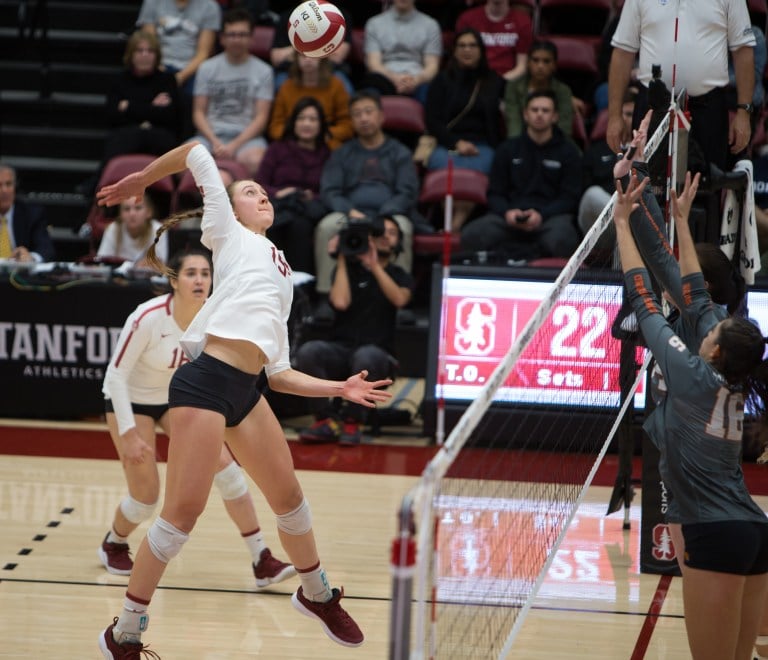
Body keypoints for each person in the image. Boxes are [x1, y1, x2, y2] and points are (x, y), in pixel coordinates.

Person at [95, 139, 393, 657]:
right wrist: (141, 179)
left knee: (291, 501)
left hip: (248, 391)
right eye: (251, 191)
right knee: (180, 517)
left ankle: (316, 592)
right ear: (229, 209)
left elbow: (277, 375)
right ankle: (124, 632)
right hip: (204, 383)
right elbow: (195, 150)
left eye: (263, 192)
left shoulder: (283, 274)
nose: (264, 196)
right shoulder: (226, 233)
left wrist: (338, 388)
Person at [613, 168, 768, 660]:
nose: (704, 332)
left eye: (708, 337)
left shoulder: (690, 372)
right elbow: (695, 293)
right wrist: (677, 218)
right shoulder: (729, 369)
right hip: (752, 531)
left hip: (714, 533)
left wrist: (621, 224)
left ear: (715, 351)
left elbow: (642, 294)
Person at [99, 248, 295, 590]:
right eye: (191, 273)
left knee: (229, 472)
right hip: (130, 400)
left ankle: (261, 558)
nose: (200, 280)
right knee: (146, 499)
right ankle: (114, 542)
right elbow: (114, 376)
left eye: (205, 273)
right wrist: (128, 432)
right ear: (174, 281)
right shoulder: (148, 317)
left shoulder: (214, 316)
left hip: (177, 400)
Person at [296, 215, 413, 445]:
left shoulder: (401, 276)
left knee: (366, 355)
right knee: (309, 351)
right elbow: (340, 302)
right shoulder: (348, 271)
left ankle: (353, 421)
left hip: (379, 355)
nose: (385, 237)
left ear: (398, 242)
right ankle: (326, 421)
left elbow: (399, 299)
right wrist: (342, 257)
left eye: (392, 233)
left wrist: (375, 266)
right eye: (381, 232)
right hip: (342, 349)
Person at [606, 0, 756, 172]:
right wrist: (614, 116)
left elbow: (743, 49)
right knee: (645, 188)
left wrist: (744, 113)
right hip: (652, 108)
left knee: (706, 189)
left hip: (706, 109)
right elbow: (623, 52)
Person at [315, 89, 419, 295]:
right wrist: (349, 211)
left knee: (403, 228)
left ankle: (400, 293)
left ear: (381, 116)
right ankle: (327, 294)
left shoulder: (400, 153)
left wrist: (384, 216)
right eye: (357, 114)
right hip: (350, 215)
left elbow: (407, 192)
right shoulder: (342, 153)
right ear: (351, 120)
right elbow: (330, 191)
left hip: (388, 215)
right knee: (327, 226)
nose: (363, 118)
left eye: (368, 112)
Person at [461, 89, 583, 262]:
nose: (539, 115)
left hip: (549, 220)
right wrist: (508, 213)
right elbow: (495, 193)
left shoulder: (569, 152)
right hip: (509, 218)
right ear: (525, 114)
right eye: (534, 110)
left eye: (545, 110)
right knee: (472, 235)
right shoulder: (507, 149)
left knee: (563, 240)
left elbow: (570, 197)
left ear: (555, 116)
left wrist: (542, 215)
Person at [423, 28, 505, 231]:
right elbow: (432, 120)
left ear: (481, 50)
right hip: (448, 143)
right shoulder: (442, 81)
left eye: (472, 45)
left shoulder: (495, 82)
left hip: (483, 145)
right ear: (454, 50)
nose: (467, 50)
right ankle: (451, 223)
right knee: (444, 165)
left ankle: (454, 225)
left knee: (478, 167)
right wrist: (456, 143)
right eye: (462, 45)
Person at [189, 7, 273, 175]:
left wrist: (234, 146)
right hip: (210, 135)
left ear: (251, 38)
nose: (237, 39)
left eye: (242, 35)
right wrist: (215, 143)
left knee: (257, 161)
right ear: (222, 38)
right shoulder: (207, 68)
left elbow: (261, 118)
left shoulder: (264, 71)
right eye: (232, 34)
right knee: (184, 159)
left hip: (247, 139)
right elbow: (198, 112)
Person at [257, 96, 332, 275]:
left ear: (321, 124)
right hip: (278, 205)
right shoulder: (277, 149)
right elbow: (259, 184)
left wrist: (311, 197)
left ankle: (300, 286)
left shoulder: (327, 154)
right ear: (293, 122)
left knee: (299, 226)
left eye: (313, 119)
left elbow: (331, 191)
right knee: (274, 223)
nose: (307, 123)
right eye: (301, 118)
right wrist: (281, 193)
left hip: (308, 210)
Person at [100, 29, 181, 179]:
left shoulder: (167, 80)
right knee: (124, 139)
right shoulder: (119, 80)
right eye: (140, 50)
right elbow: (112, 116)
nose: (145, 55)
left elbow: (170, 116)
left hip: (159, 136)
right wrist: (152, 107)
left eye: (150, 51)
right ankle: (98, 190)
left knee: (162, 142)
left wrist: (129, 106)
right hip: (126, 135)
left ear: (157, 55)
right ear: (131, 54)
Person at [136, 0, 221, 138]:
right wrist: (161, 71)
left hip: (193, 68)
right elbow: (149, 45)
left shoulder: (209, 6)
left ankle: (185, 143)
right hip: (159, 65)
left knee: (191, 98)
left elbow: (204, 53)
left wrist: (179, 77)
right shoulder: (152, 3)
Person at [577, 88, 636, 259]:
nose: (627, 119)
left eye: (632, 114)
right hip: (601, 224)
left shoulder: (647, 152)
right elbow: (583, 192)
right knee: (592, 194)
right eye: (624, 114)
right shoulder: (596, 151)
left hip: (637, 220)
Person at [267, 51, 353, 151]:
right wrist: (299, 134)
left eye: (312, 55)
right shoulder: (286, 87)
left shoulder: (336, 85)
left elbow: (347, 126)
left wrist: (321, 133)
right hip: (292, 144)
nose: (307, 60)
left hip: (327, 143)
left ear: (322, 59)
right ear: (296, 59)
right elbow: (275, 127)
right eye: (303, 56)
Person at [362, 0, 443, 104]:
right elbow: (373, 64)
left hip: (418, 79)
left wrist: (415, 81)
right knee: (368, 94)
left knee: (432, 93)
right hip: (384, 78)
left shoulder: (431, 25)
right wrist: (395, 78)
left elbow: (432, 66)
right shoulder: (374, 24)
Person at [504, 39, 582, 140]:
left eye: (546, 61)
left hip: (555, 144)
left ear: (554, 65)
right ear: (528, 63)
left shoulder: (563, 91)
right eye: (535, 60)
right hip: (521, 142)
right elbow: (513, 124)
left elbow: (564, 128)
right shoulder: (513, 87)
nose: (540, 66)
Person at [269, 6, 354, 93]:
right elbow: (276, 59)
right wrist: (312, 44)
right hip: (290, 71)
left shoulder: (338, 15)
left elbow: (337, 56)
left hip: (329, 70)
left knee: (345, 87)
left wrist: (302, 47)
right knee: (279, 83)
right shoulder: (287, 16)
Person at [455, 0, 533, 81]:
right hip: (473, 79)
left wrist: (498, 83)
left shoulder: (523, 21)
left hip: (507, 80)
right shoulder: (467, 19)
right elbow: (460, 61)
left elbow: (522, 66)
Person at [0, 163, 54, 263]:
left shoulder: (31, 214)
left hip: (18, 274)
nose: (4, 190)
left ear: (15, 186)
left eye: (8, 184)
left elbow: (46, 249)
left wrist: (31, 257)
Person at [96, 195, 169, 267]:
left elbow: (160, 265)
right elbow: (102, 261)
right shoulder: (113, 229)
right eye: (127, 209)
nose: (132, 214)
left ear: (149, 212)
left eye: (138, 208)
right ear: (120, 214)